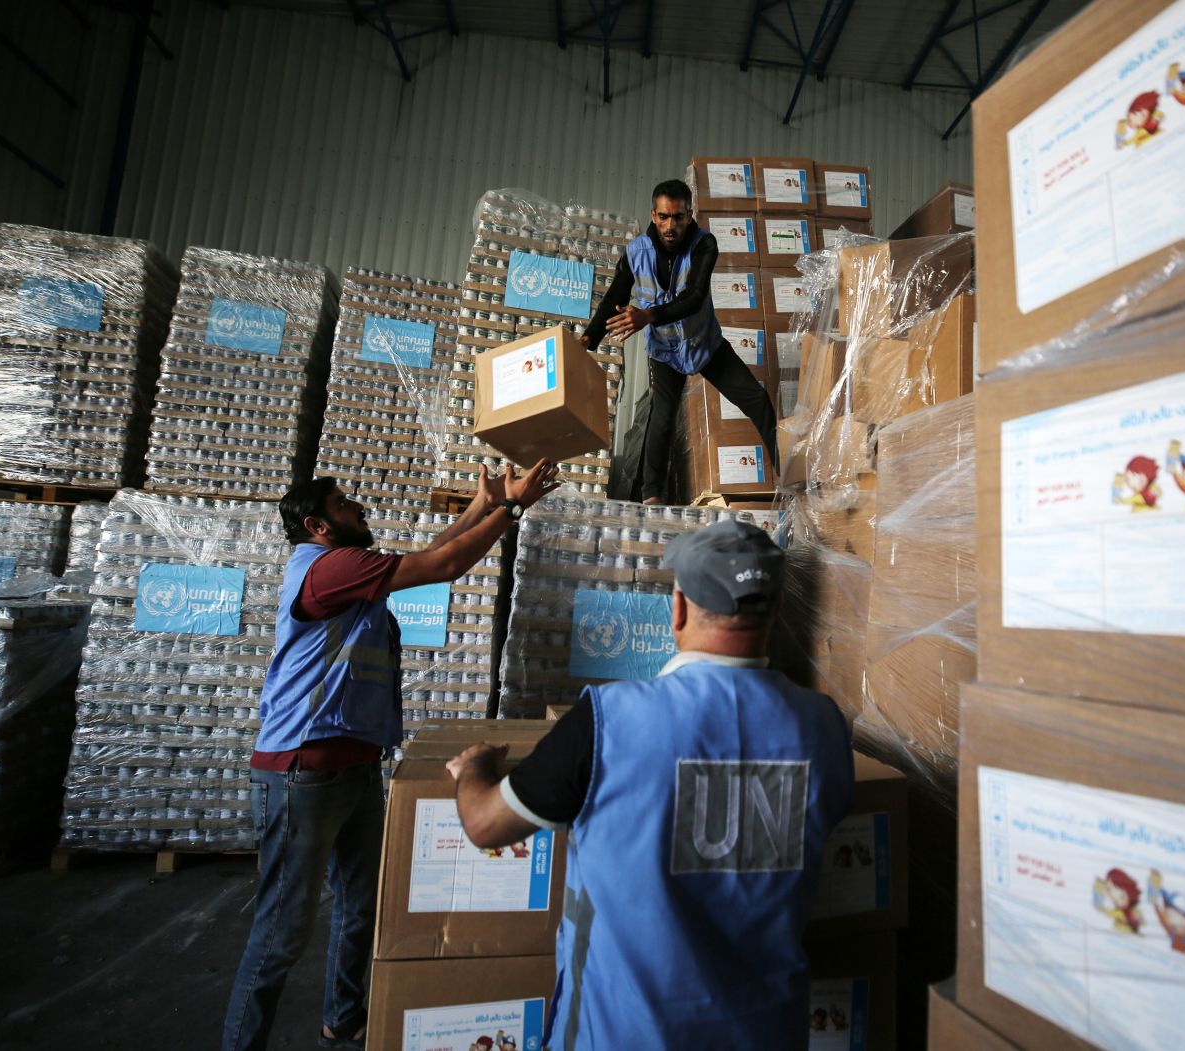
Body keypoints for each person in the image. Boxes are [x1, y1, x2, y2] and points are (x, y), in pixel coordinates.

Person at [447, 521, 855, 1048]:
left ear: (678, 608)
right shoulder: (823, 726)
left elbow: (484, 824)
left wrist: (474, 768)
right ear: (776, 609)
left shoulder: (607, 720)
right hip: (766, 1032)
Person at [220, 459, 562, 1051]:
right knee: (282, 930)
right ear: (317, 525)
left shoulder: (343, 568)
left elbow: (428, 561)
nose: (358, 508)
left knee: (361, 904)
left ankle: (344, 1017)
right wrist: (510, 509)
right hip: (303, 769)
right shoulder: (326, 570)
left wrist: (482, 508)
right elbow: (446, 564)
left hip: (350, 766)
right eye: (344, 504)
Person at [582, 179, 781, 504]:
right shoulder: (636, 252)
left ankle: (788, 479)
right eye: (663, 217)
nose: (670, 226)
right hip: (665, 350)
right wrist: (588, 339)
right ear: (653, 214)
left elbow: (695, 296)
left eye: (677, 217)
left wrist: (648, 316)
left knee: (756, 400)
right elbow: (615, 297)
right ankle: (652, 496)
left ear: (689, 215)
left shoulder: (705, 245)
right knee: (661, 417)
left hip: (705, 345)